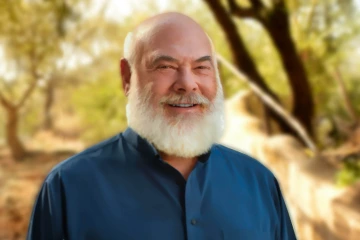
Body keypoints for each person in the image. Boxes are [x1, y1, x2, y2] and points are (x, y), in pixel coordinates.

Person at [26, 12, 297, 240]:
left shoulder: (259, 183)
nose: (187, 83)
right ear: (127, 77)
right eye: (166, 66)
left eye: (202, 68)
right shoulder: (68, 188)